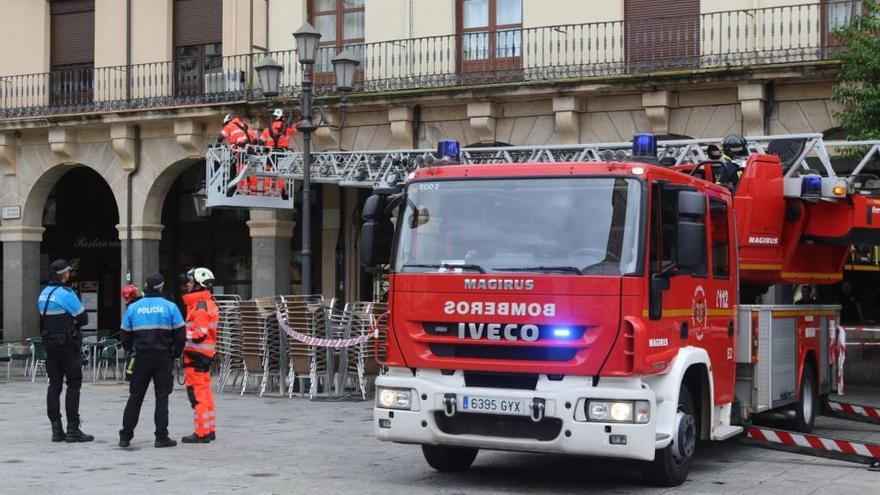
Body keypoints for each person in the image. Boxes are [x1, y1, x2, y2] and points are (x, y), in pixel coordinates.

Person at [118, 273, 185, 449]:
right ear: (161, 287)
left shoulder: (134, 307)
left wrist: (133, 349)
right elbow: (180, 335)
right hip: (163, 358)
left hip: (141, 358)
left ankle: (125, 436)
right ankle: (161, 437)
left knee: (135, 397)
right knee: (162, 397)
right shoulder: (170, 307)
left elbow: (124, 335)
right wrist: (174, 353)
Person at [38, 259, 93, 443]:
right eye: (69, 272)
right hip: (67, 346)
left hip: (49, 345)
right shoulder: (66, 293)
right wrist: (73, 321)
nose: (70, 275)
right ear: (64, 274)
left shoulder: (43, 294)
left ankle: (56, 430)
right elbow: (84, 318)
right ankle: (72, 429)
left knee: (54, 385)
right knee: (74, 384)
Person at [181, 267, 219, 444]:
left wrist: (180, 335)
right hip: (202, 356)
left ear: (198, 284)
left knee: (198, 396)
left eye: (190, 281)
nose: (187, 285)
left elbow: (200, 333)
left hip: (196, 357)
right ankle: (209, 429)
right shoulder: (207, 303)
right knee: (205, 394)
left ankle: (202, 432)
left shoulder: (200, 305)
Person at [121, 284, 142, 383]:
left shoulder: (131, 306)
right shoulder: (137, 303)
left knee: (133, 355)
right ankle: (130, 374)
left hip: (135, 334)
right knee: (134, 355)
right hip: (137, 334)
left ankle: (130, 374)